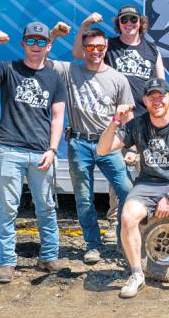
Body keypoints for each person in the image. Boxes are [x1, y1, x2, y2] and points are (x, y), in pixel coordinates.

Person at [0, 21, 68, 283]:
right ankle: (7, 262)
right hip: (9, 149)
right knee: (8, 209)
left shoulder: (55, 77)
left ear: (48, 45)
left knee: (46, 207)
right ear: (23, 43)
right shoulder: (7, 69)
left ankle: (48, 256)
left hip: (41, 153)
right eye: (31, 41)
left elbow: (58, 118)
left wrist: (53, 149)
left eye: (41, 41)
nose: (36, 46)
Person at [97, 78, 169, 299]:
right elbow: (103, 149)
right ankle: (137, 274)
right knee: (128, 217)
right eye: (152, 97)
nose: (156, 101)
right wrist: (114, 122)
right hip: (147, 184)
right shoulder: (137, 125)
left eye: (161, 96)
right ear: (145, 100)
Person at [73, 7, 165, 243]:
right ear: (119, 24)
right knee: (119, 179)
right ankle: (116, 222)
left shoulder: (152, 49)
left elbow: (161, 84)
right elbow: (78, 53)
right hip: (117, 121)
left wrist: (161, 115)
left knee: (150, 172)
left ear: (140, 22)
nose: (129, 23)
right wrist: (84, 25)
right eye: (124, 20)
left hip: (146, 121)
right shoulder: (109, 46)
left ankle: (147, 223)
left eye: (133, 19)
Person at [52, 25, 136, 263]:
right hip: (79, 143)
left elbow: (128, 117)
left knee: (126, 191)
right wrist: (54, 35)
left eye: (100, 47)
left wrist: (130, 148)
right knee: (84, 197)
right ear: (83, 49)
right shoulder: (70, 71)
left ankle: (124, 240)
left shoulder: (118, 78)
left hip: (109, 144)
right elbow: (42, 58)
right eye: (90, 47)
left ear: (106, 47)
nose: (95, 51)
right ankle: (92, 245)